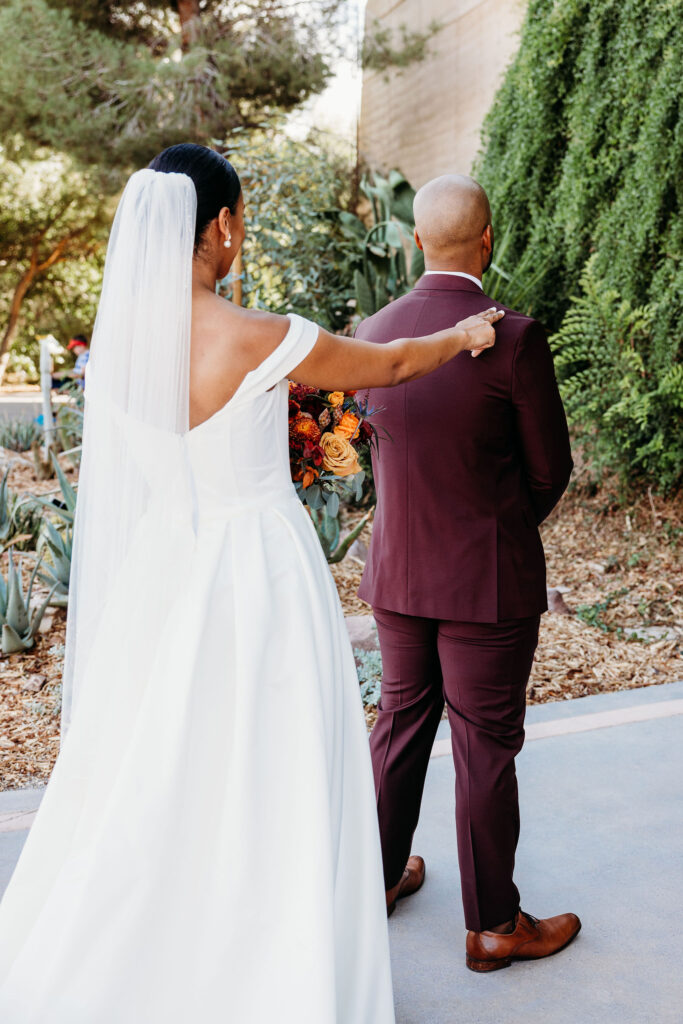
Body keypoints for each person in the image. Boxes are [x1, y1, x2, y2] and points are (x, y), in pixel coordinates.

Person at [0, 147, 502, 1022]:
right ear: (222, 227)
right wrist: (461, 335)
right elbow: (383, 366)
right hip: (257, 572)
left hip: (166, 569)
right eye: (243, 217)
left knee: (161, 763)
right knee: (274, 762)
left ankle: (157, 951)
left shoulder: (120, 350)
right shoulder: (259, 335)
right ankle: (272, 964)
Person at [355, 174, 581, 972]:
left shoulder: (371, 331)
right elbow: (548, 469)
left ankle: (376, 881)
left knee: (399, 724)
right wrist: (494, 529)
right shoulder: (512, 338)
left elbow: (372, 458)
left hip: (396, 577)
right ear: (488, 239)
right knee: (483, 745)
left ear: (417, 240)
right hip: (484, 582)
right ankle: (491, 925)